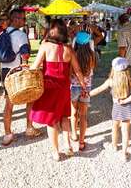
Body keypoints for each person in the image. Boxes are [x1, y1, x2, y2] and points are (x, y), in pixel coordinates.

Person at [30, 19, 87, 161]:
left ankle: (55, 152)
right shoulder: (69, 49)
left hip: (49, 87)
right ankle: (67, 145)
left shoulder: (45, 46)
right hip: (63, 88)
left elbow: (35, 66)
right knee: (64, 117)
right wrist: (84, 86)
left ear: (52, 31)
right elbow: (78, 71)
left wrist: (26, 70)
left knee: (51, 120)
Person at [0, 9, 41, 146]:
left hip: (5, 71)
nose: (24, 22)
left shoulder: (1, 34)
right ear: (16, 19)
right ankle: (29, 128)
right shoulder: (21, 35)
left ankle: (7, 134)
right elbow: (25, 55)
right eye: (23, 19)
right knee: (30, 97)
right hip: (18, 70)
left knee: (8, 103)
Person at [90, 57, 131, 162]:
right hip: (128, 107)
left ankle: (114, 145)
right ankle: (124, 154)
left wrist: (87, 94)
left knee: (115, 127)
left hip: (117, 107)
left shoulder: (111, 81)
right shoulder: (129, 81)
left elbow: (99, 89)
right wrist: (125, 101)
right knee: (125, 131)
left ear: (113, 68)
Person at [70, 31, 97, 151]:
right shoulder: (92, 55)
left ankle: (74, 135)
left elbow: (70, 71)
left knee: (73, 112)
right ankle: (81, 142)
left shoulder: (72, 54)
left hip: (74, 87)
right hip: (86, 87)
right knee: (84, 115)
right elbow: (91, 71)